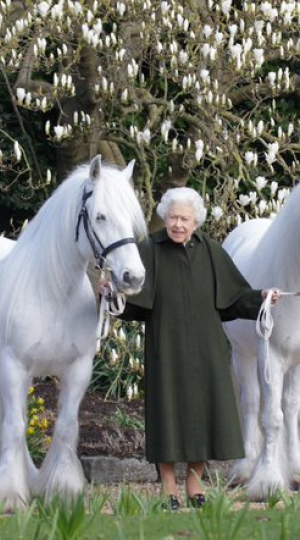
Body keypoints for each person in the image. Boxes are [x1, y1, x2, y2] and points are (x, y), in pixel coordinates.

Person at [113, 187, 278, 510]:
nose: (177, 224)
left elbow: (234, 297)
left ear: (196, 221)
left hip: (207, 350)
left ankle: (195, 480)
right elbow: (134, 304)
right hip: (166, 346)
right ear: (164, 217)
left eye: (184, 219)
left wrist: (262, 297)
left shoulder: (212, 251)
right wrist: (113, 296)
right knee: (167, 413)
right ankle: (169, 485)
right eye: (173, 217)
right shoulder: (150, 250)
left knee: (205, 412)